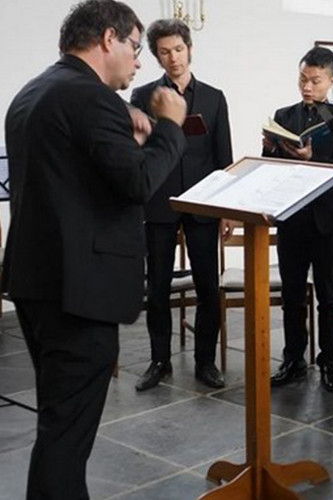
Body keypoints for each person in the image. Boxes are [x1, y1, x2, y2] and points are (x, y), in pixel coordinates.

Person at [2, 1, 187, 497]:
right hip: (79, 292)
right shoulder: (91, 100)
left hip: (37, 282)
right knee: (66, 436)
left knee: (59, 424)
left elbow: (78, 178)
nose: (139, 61)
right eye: (133, 46)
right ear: (108, 38)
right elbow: (137, 183)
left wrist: (123, 124)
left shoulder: (35, 91)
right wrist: (169, 127)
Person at [130, 18, 232, 391]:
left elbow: (224, 157)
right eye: (164, 52)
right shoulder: (142, 96)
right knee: (157, 287)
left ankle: (206, 361)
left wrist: (226, 210)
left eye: (178, 49)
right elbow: (135, 151)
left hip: (204, 202)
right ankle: (159, 362)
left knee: (208, 286)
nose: (173, 58)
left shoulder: (214, 97)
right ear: (156, 56)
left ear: (190, 49)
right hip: (159, 201)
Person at [263, 46, 333, 393]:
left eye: (315, 80)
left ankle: (328, 361)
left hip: (326, 218)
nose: (307, 86)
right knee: (292, 294)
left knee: (329, 295)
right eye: (303, 78)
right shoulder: (283, 115)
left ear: (331, 80)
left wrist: (313, 156)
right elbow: (270, 166)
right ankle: (293, 359)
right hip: (292, 216)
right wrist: (271, 148)